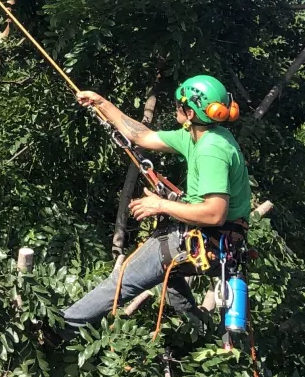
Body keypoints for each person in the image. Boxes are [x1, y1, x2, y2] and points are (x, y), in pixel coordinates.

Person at [62, 74, 251, 331]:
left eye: (179, 105)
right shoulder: (199, 135)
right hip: (221, 241)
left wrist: (160, 205)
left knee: (124, 278)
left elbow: (214, 213)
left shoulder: (211, 150)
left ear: (191, 113)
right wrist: (101, 103)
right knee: (169, 274)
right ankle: (197, 327)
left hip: (208, 238)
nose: (175, 108)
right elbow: (142, 136)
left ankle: (61, 327)